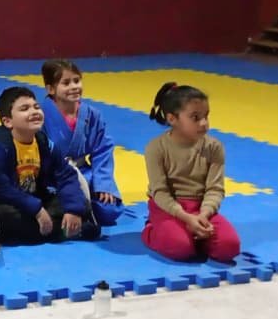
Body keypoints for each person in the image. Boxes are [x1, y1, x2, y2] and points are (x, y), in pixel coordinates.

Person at [0, 87, 99, 244]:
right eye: (25, 109)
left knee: (81, 205)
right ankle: (63, 231)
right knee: (4, 217)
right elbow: (1, 188)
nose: (34, 111)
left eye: (36, 107)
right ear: (8, 121)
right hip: (8, 203)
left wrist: (73, 209)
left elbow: (66, 174)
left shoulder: (43, 142)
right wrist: (36, 209)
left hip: (37, 199)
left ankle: (52, 228)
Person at [142, 83, 241, 262]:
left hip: (201, 208)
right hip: (168, 209)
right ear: (172, 119)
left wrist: (203, 215)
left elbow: (215, 189)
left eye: (206, 116)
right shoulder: (156, 148)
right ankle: (151, 230)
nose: (204, 123)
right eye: (195, 117)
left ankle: (196, 235)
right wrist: (186, 217)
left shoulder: (214, 147)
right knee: (181, 249)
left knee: (230, 247)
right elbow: (159, 192)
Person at [40, 59, 124, 226]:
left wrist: (103, 183)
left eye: (77, 81)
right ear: (51, 89)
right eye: (66, 83)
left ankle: (83, 209)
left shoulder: (92, 115)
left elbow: (103, 149)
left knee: (109, 211)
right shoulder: (40, 114)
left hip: (84, 172)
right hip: (54, 176)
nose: (74, 87)